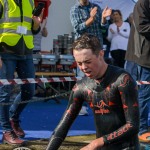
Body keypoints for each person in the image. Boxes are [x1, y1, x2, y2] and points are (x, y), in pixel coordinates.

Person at [46, 33, 140, 150]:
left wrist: (96, 143)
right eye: (79, 63)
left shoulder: (123, 80)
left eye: (88, 61)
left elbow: (133, 125)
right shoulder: (81, 87)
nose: (84, 67)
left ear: (101, 54)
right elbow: (62, 128)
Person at [0, 0, 42, 145]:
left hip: (26, 52)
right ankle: (6, 131)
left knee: (30, 90)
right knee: (5, 93)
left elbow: (32, 29)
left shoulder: (29, 1)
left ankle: (13, 118)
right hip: (5, 51)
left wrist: (36, 25)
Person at [70, 0, 111, 115]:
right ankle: (80, 106)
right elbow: (78, 28)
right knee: (82, 78)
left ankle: (102, 103)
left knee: (102, 76)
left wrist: (103, 19)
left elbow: (103, 30)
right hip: (83, 51)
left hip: (97, 49)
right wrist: (91, 18)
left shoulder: (96, 7)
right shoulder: (75, 9)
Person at [125, 0, 150, 143]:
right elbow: (142, 27)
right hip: (144, 56)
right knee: (144, 94)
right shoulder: (142, 3)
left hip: (144, 55)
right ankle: (142, 129)